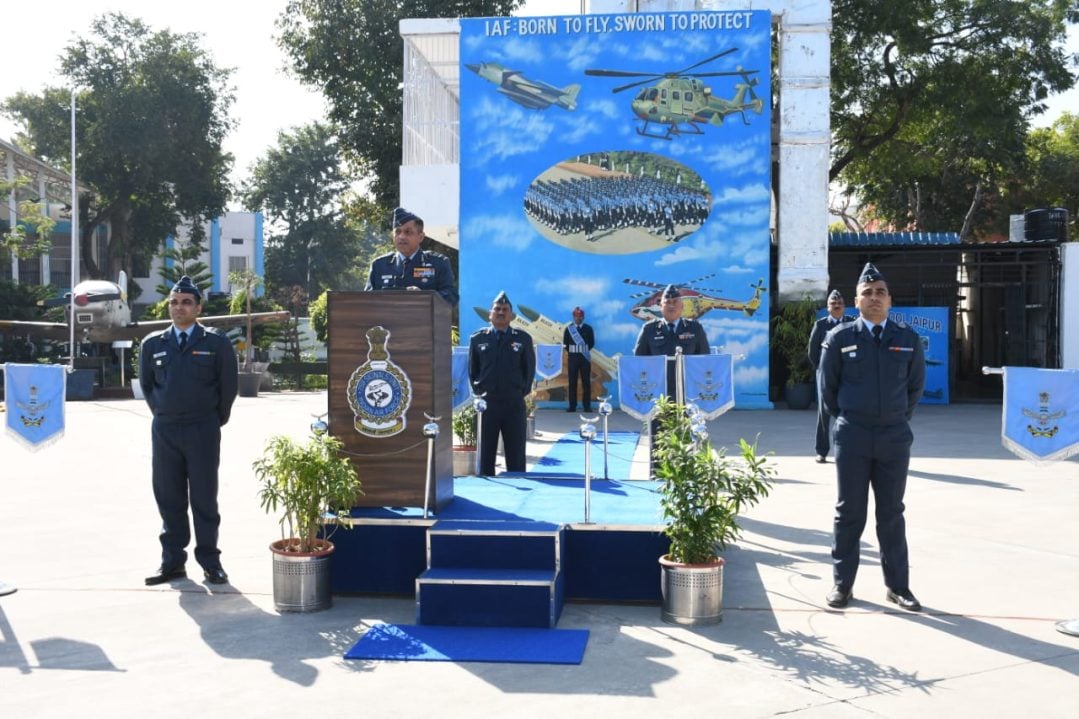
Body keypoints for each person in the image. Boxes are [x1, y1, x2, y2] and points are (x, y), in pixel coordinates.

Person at [819, 263, 926, 612]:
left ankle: (899, 587)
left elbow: (915, 388)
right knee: (849, 512)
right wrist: (853, 418)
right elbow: (828, 390)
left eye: (880, 292)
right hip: (853, 435)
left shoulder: (906, 339)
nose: (874, 298)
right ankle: (842, 585)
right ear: (856, 300)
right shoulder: (840, 338)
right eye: (868, 292)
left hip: (894, 436)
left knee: (892, 513)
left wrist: (894, 417)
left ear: (890, 299)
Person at [139, 276, 238, 586]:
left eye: (185, 302)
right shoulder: (153, 343)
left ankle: (210, 562)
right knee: (169, 497)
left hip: (203, 429)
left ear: (198, 307)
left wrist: (212, 419)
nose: (178, 307)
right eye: (173, 302)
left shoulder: (216, 343)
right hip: (166, 429)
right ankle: (172, 563)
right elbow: (148, 386)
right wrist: (165, 413)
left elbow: (228, 388)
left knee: (205, 498)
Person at [468, 291, 536, 476]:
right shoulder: (478, 339)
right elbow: (472, 370)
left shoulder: (522, 339)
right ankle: (486, 486)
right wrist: (479, 391)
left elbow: (529, 370)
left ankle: (518, 480)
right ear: (490, 314)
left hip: (513, 403)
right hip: (487, 403)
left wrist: (519, 391)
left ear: (511, 315)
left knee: (515, 450)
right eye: (497, 309)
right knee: (486, 452)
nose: (500, 312)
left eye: (505, 309)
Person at [364, 207, 459, 306]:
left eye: (408, 232)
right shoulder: (379, 265)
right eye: (398, 232)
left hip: (422, 320)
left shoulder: (438, 263)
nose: (401, 236)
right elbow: (365, 301)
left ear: (420, 237)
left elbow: (451, 296)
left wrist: (424, 297)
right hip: (387, 321)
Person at [632, 284, 709, 397]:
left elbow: (704, 358)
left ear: (682, 306)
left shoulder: (695, 328)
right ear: (660, 306)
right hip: (658, 391)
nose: (671, 306)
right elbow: (639, 359)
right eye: (667, 302)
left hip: (688, 391)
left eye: (675, 302)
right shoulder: (649, 329)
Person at [807, 289, 849, 463]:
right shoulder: (821, 325)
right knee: (824, 414)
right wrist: (821, 368)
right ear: (828, 307)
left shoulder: (851, 324)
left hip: (846, 375)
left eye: (839, 304)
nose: (836, 306)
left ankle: (846, 451)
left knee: (847, 413)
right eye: (833, 304)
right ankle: (821, 451)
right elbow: (812, 351)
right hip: (825, 376)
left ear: (845, 307)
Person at [562, 306, 595, 413]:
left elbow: (591, 343)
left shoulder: (588, 329)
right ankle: (572, 406)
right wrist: (574, 351)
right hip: (573, 358)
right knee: (572, 382)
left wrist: (582, 350)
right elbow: (566, 344)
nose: (578, 318)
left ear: (583, 317)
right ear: (573, 317)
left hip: (584, 358)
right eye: (576, 316)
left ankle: (587, 406)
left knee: (586, 382)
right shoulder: (569, 329)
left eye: (580, 316)